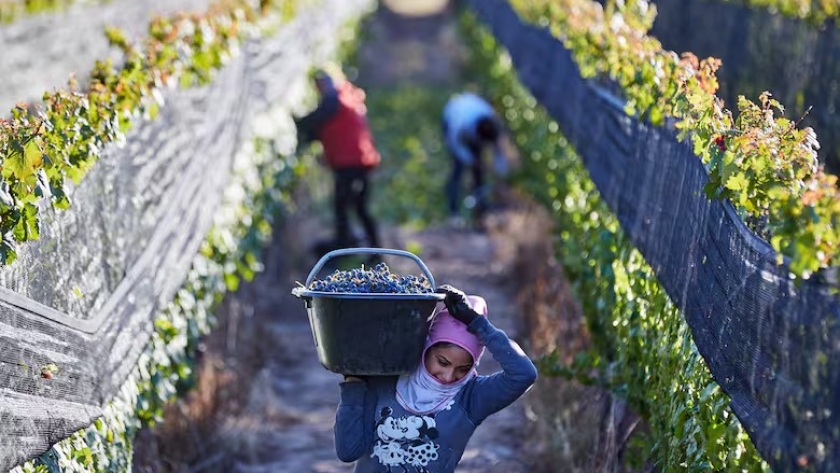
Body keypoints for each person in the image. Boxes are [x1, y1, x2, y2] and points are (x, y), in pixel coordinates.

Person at [334, 284, 538, 472]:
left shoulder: (472, 398)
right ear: (426, 348)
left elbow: (524, 374)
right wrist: (353, 384)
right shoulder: (385, 379)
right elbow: (348, 451)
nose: (449, 377)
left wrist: (478, 324)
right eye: (442, 362)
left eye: (463, 369)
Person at [294, 69, 381, 255]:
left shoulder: (334, 99)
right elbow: (327, 128)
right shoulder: (347, 98)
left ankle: (348, 249)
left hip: (351, 163)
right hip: (357, 161)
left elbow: (313, 121)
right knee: (356, 207)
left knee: (344, 207)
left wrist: (295, 122)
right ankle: (368, 249)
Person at [441, 92, 517, 229]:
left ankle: (480, 213)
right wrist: (471, 160)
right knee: (457, 169)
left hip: (471, 111)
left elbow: (498, 150)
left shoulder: (492, 123)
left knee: (478, 172)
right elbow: (455, 145)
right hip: (451, 114)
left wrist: (501, 174)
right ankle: (453, 214)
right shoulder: (459, 124)